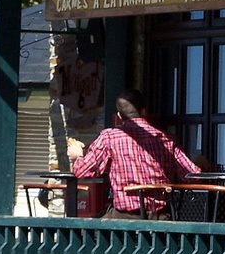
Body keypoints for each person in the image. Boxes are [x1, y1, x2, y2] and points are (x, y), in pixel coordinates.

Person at [67, 89, 200, 219]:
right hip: (160, 220)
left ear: (119, 116)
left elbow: (82, 171)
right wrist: (199, 162)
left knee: (86, 235)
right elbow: (192, 176)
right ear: (144, 111)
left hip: (124, 221)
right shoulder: (166, 138)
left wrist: (77, 156)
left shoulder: (110, 137)